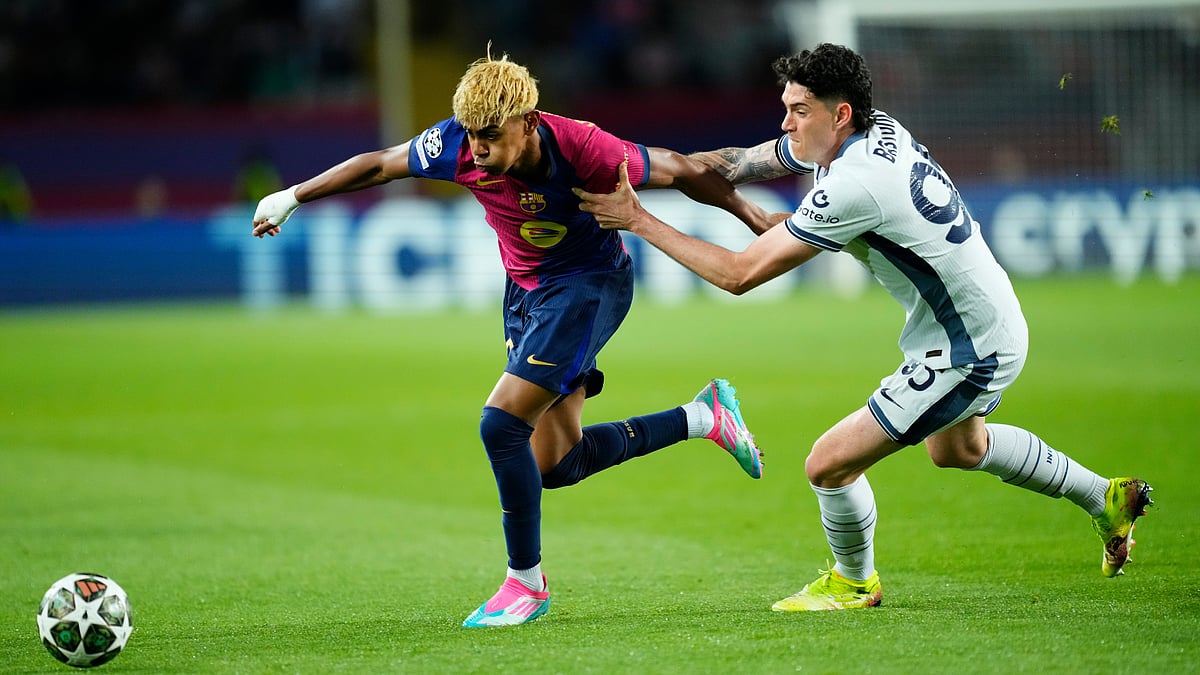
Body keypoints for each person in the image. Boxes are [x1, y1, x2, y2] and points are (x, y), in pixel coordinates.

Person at [576, 43, 1153, 611]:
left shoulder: (854, 184)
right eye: (786, 107)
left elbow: (737, 276)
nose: (786, 123)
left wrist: (637, 219)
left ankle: (854, 584)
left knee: (828, 464)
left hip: (968, 346)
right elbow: (740, 163)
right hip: (978, 321)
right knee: (958, 447)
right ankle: (1105, 497)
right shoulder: (879, 133)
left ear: (839, 114)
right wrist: (648, 168)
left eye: (799, 110)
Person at [250, 49, 769, 627]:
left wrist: (751, 216)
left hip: (587, 286)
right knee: (557, 464)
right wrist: (292, 196)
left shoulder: (585, 149)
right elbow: (378, 165)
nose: (476, 150)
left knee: (501, 423)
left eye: (490, 137)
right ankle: (704, 417)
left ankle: (525, 584)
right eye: (471, 136)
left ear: (529, 121)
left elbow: (682, 168)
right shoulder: (455, 143)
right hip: (525, 292)